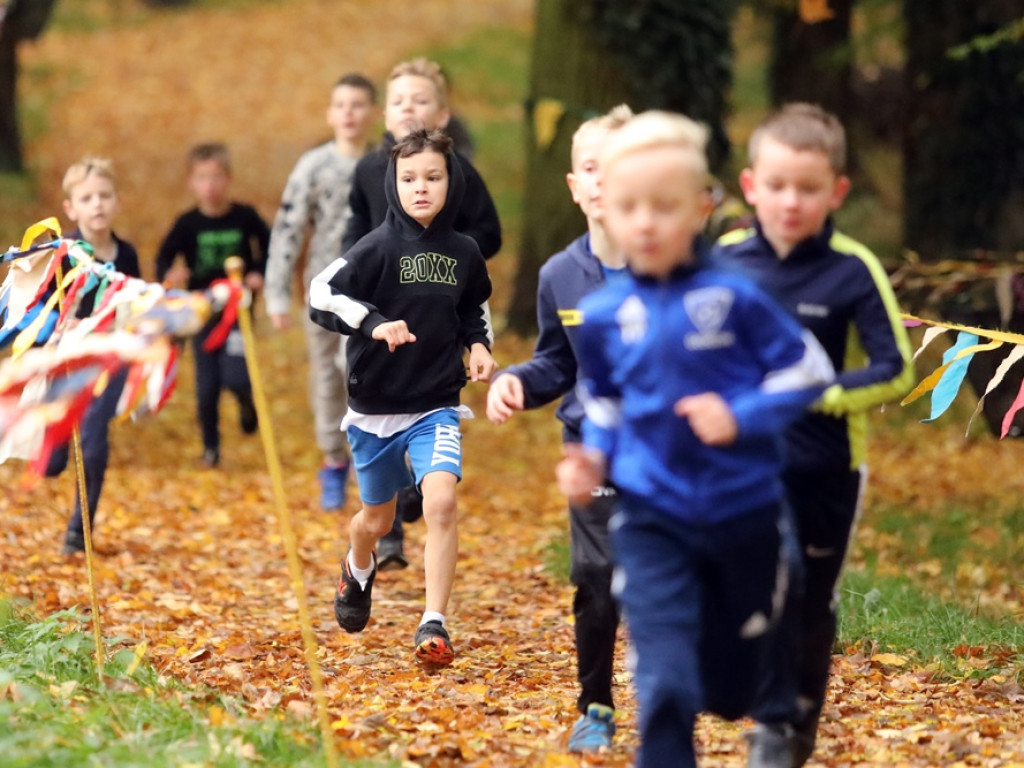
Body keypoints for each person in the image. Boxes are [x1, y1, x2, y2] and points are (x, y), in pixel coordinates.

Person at [555, 111, 835, 768]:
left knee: (730, 691)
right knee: (667, 686)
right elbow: (603, 400)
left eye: (663, 205)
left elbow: (810, 368)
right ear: (607, 211)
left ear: (702, 207)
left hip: (744, 514)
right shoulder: (602, 314)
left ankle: (743, 681)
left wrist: (740, 413)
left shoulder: (737, 293)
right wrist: (591, 452)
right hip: (652, 517)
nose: (644, 222)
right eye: (628, 207)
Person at [712, 102, 914, 767]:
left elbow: (895, 368)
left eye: (808, 188)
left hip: (827, 467)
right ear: (750, 187)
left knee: (810, 600)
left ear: (837, 192)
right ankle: (770, 721)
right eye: (776, 186)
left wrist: (819, 392)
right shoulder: (726, 261)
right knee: (765, 582)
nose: (790, 202)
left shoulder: (853, 269)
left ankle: (799, 719)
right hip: (744, 465)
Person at [309, 128, 496, 667]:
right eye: (409, 178)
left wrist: (479, 347)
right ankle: (357, 567)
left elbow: (472, 310)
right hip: (375, 409)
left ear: (450, 182)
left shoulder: (464, 252)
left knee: (440, 502)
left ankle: (432, 622)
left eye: (433, 178)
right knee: (377, 521)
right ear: (393, 183)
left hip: (435, 402)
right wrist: (372, 322)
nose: (421, 188)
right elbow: (322, 294)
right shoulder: (375, 247)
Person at [485, 105, 632, 753]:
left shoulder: (675, 268)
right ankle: (595, 706)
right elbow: (556, 362)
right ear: (574, 185)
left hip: (667, 451)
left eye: (619, 168)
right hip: (591, 451)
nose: (605, 182)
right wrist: (518, 380)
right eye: (592, 169)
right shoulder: (559, 275)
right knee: (596, 577)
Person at [342, 56, 502, 571]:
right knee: (380, 418)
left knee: (432, 408)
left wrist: (446, 259)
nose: (410, 108)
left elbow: (490, 233)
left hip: (445, 308)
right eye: (399, 101)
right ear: (384, 116)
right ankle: (388, 539)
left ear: (444, 114)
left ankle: (422, 482)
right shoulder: (368, 170)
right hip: (380, 316)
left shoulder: (460, 173)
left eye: (421, 100)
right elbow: (354, 231)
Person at [265, 73, 378, 511]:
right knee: (327, 375)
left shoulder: (390, 163)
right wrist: (277, 294)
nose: (349, 113)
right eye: (341, 105)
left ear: (373, 113)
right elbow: (289, 228)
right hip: (323, 289)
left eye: (358, 105)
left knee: (364, 372)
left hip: (374, 292)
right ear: (330, 114)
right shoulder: (314, 167)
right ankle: (333, 461)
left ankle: (372, 459)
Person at [45, 157, 141, 555]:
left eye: (104, 196)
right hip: (63, 361)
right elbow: (42, 306)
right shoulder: (63, 252)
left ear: (117, 202)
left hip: (108, 360)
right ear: (72, 208)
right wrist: (57, 326)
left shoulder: (126, 254)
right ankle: (53, 451)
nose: (97, 204)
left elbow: (137, 303)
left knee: (95, 443)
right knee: (53, 460)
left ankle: (77, 531)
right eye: (87, 198)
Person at [155, 142, 270, 468]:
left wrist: (257, 274)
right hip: (202, 312)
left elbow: (269, 246)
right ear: (191, 182)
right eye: (202, 178)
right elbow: (164, 257)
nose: (210, 185)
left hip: (237, 312)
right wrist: (171, 275)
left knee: (234, 375)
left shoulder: (245, 216)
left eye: (217, 177)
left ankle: (246, 401)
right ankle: (211, 447)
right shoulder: (187, 223)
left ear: (229, 178)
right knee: (206, 387)